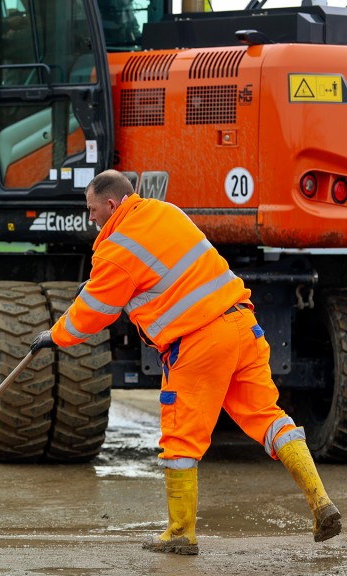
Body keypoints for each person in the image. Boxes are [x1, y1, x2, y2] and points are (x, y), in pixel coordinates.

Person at [29, 169, 341, 554]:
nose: (90, 217)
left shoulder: (116, 248)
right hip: (242, 325)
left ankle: (180, 533)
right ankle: (320, 502)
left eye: (92, 209)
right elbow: (162, 275)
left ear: (111, 205)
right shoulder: (167, 211)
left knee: (180, 438)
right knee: (270, 418)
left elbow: (93, 313)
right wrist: (102, 287)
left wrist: (55, 335)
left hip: (199, 341)